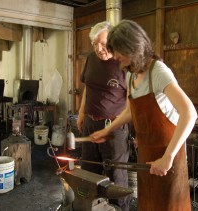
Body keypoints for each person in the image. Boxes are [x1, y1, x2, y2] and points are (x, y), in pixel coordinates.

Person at [91, 20, 198, 210]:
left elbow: (189, 113)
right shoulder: (131, 73)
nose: (115, 56)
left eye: (118, 51)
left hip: (168, 154)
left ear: (131, 47)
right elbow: (131, 110)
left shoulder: (158, 71)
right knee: (148, 204)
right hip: (146, 153)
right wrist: (108, 129)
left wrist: (168, 156)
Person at [76, 21, 130, 211]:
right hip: (90, 124)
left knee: (116, 175)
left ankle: (120, 209)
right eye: (95, 44)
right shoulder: (90, 59)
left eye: (103, 43)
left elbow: (132, 102)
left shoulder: (123, 63)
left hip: (115, 128)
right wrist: (81, 114)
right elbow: (87, 88)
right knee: (89, 170)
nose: (99, 49)